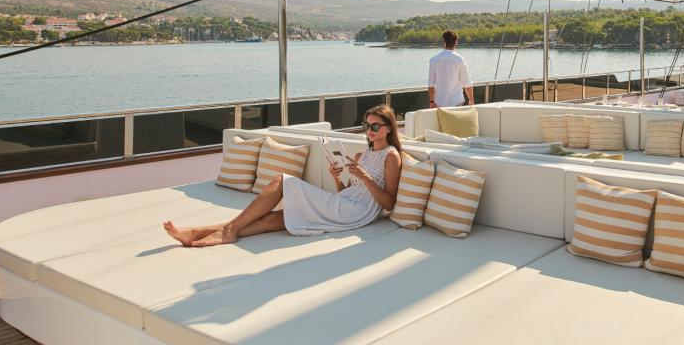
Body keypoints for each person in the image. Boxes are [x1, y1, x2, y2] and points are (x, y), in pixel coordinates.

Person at [163, 105, 403, 247]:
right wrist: (337, 179)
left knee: (281, 180)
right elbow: (347, 193)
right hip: (343, 204)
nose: (369, 131)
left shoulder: (391, 156)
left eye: (375, 126)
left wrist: (364, 176)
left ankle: (226, 231)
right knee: (278, 219)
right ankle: (197, 233)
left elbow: (389, 203)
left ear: (389, 128)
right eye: (367, 125)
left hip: (358, 213)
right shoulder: (361, 154)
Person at [428, 30, 474, 108]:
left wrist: (431, 101)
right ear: (456, 42)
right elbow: (466, 83)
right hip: (457, 102)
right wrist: (471, 100)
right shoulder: (460, 59)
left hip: (439, 103)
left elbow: (431, 83)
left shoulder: (434, 60)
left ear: (444, 42)